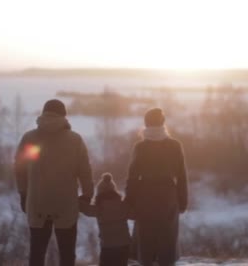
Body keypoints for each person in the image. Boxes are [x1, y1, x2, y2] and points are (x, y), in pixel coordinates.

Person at [15, 99, 94, 266]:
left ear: (43, 114)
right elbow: (85, 171)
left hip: (37, 203)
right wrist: (87, 194)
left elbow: (20, 169)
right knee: (67, 255)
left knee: (37, 254)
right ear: (64, 116)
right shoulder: (74, 140)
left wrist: (23, 194)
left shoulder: (30, 138)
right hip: (66, 205)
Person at [125, 108, 188, 266]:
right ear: (163, 123)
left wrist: (129, 202)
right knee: (168, 238)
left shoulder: (140, 147)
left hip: (144, 196)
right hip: (168, 196)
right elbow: (182, 176)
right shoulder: (175, 145)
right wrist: (183, 201)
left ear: (146, 124)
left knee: (145, 239)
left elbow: (132, 178)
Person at [79, 173, 131, 266]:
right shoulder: (123, 206)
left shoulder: (99, 208)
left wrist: (79, 199)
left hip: (108, 246)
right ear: (114, 190)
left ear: (99, 192)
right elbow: (134, 214)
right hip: (124, 245)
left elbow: (85, 209)